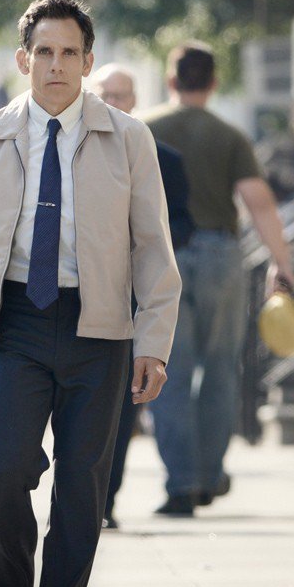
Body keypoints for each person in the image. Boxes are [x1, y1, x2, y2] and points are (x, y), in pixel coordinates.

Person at [0, 0, 181, 587]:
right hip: (16, 324)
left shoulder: (127, 138)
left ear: (88, 61)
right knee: (6, 470)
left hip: (100, 330)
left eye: (68, 52)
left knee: (82, 490)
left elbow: (153, 251)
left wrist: (154, 342)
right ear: (24, 59)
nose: (55, 65)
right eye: (42, 52)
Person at [142, 42, 294, 516]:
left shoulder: (145, 130)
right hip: (221, 257)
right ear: (212, 82)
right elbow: (259, 202)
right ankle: (210, 474)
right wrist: (283, 265)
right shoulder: (229, 136)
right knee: (220, 368)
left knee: (168, 371)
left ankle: (182, 483)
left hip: (162, 257)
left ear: (171, 80)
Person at [90, 63, 195, 529]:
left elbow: (182, 226)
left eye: (123, 95)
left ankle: (104, 503)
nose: (114, 103)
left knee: (120, 412)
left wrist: (151, 247)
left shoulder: (163, 157)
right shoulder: (68, 149)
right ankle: (83, 498)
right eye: (106, 94)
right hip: (81, 302)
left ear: (136, 101)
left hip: (134, 304)